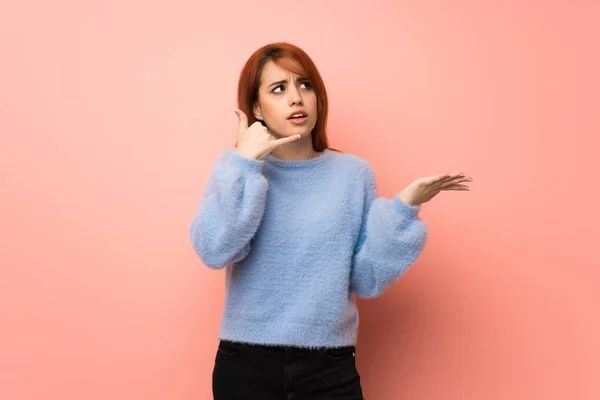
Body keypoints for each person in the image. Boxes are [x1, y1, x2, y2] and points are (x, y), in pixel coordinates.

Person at [189, 42, 472, 400]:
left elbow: (365, 279)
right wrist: (246, 164)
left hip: (328, 366)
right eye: (279, 89)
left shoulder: (353, 175)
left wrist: (403, 209)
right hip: (246, 362)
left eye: (305, 85)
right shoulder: (235, 169)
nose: (296, 98)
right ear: (257, 107)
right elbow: (215, 249)